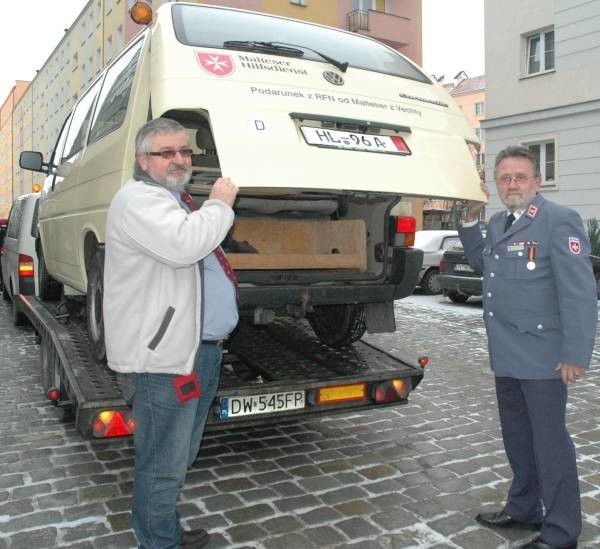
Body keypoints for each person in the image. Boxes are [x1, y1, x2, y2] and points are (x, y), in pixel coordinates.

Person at [103, 117, 239, 548]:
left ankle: (165, 531)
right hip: (165, 361)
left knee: (178, 458)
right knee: (163, 464)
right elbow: (184, 247)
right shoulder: (138, 200)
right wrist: (220, 205)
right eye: (167, 153)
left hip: (199, 351)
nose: (180, 159)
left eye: (185, 151)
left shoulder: (174, 201)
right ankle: (158, 542)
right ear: (144, 160)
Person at [460, 145, 597, 549]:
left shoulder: (559, 220)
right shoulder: (501, 222)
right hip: (506, 353)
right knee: (518, 439)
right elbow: (486, 266)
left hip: (543, 355)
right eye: (505, 178)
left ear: (537, 182)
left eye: (520, 176)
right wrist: (470, 222)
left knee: (549, 445)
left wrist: (575, 353)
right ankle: (523, 508)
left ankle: (561, 532)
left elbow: (579, 294)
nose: (512, 183)